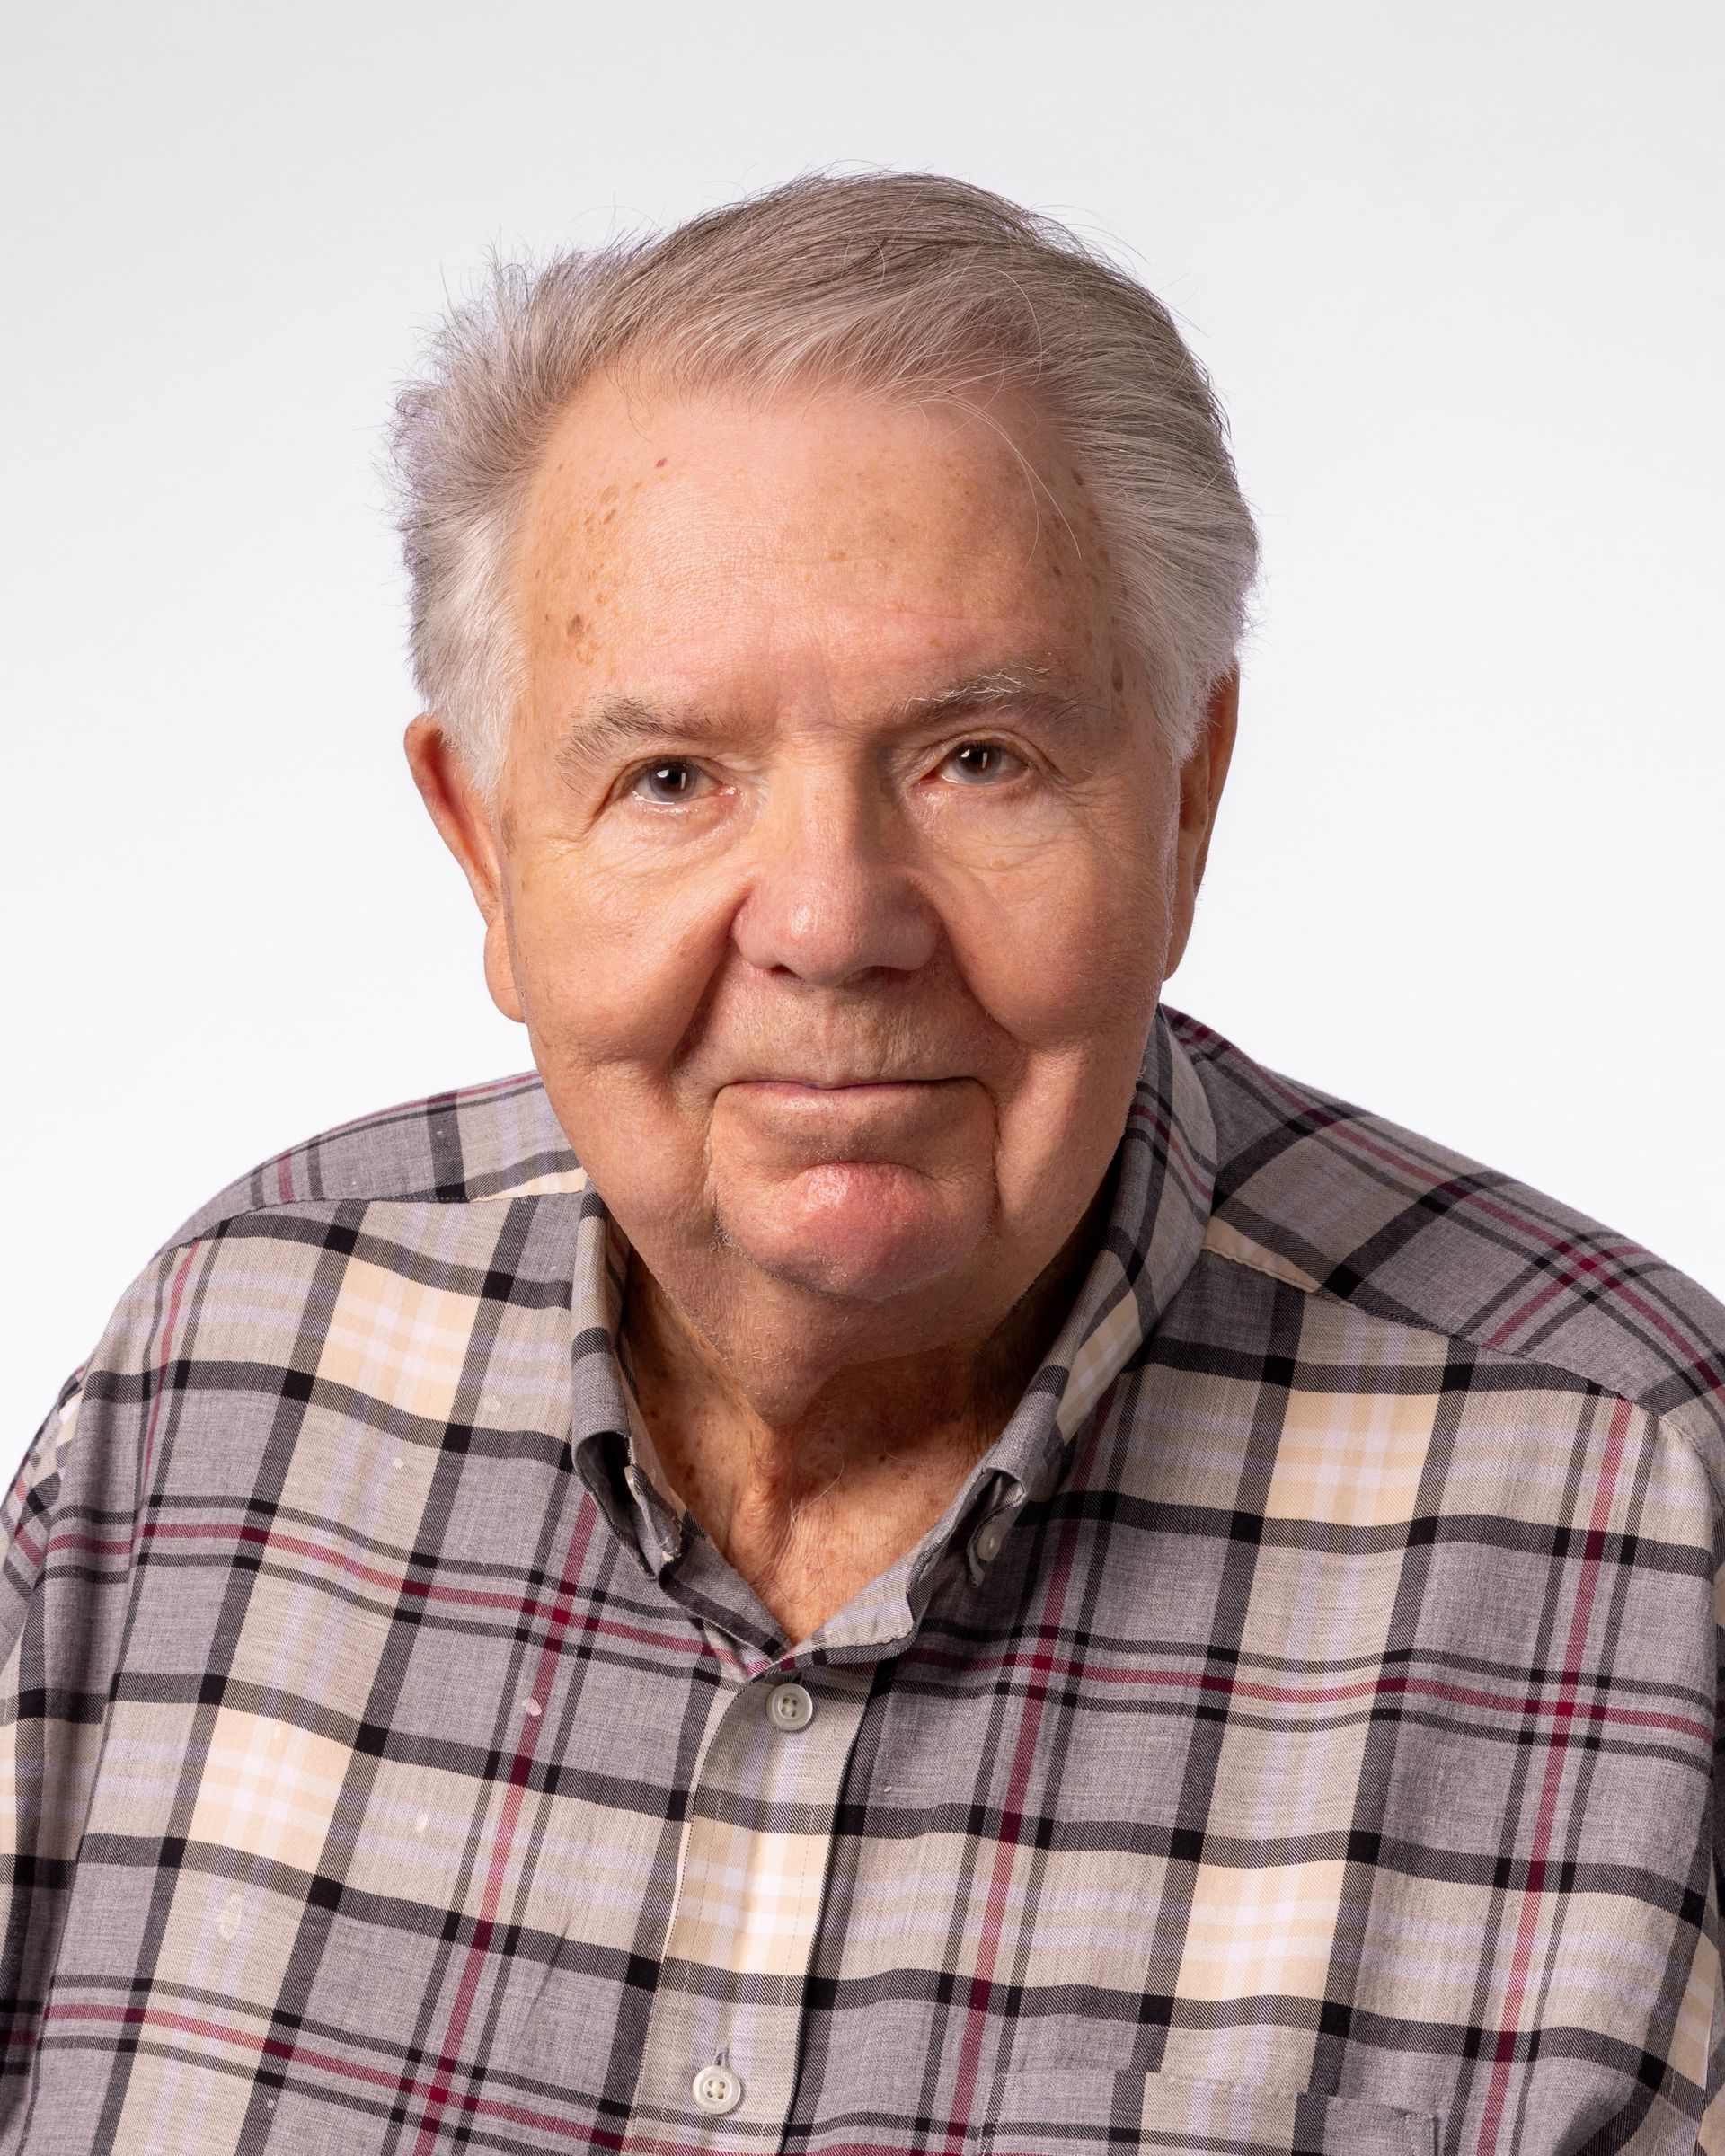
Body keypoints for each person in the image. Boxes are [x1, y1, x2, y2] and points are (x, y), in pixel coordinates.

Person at [1, 172, 1720, 2156]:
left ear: (1184, 802)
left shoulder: (1638, 1516)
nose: (831, 924)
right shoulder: (227, 1380)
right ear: (483, 848)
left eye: (977, 757)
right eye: (671, 777)